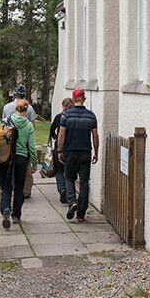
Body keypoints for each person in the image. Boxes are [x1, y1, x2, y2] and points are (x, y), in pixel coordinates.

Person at [57, 89, 99, 222]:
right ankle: (81, 214)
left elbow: (62, 134)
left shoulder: (66, 115)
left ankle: (72, 202)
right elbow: (95, 135)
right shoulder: (91, 116)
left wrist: (60, 150)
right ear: (84, 98)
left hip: (70, 153)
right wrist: (96, 152)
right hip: (85, 153)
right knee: (84, 183)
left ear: (73, 99)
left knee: (69, 178)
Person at [0, 99, 38, 229]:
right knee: (19, 187)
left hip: (7, 158)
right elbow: (32, 147)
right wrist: (34, 164)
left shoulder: (6, 121)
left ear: (16, 109)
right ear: (26, 111)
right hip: (22, 159)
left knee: (6, 186)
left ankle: (5, 208)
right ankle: (16, 215)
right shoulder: (29, 126)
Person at [2, 84, 36, 198]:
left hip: (9, 144)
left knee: (9, 168)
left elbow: (2, 126)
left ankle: (9, 189)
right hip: (24, 145)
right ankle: (25, 191)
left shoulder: (7, 107)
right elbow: (33, 125)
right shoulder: (29, 108)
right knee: (26, 170)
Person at [49, 98, 73, 204]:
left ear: (63, 106)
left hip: (59, 147)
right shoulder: (73, 117)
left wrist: (55, 136)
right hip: (70, 147)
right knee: (68, 171)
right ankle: (68, 192)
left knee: (59, 170)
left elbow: (51, 129)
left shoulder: (59, 117)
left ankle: (62, 188)